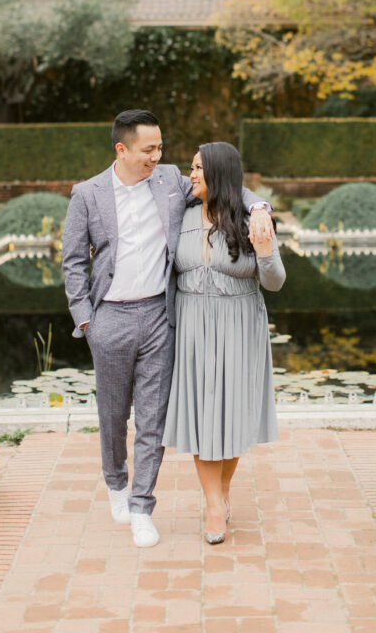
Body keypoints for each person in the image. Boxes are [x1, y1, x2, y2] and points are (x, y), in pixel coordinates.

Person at [61, 110, 272, 549]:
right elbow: (74, 261)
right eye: (149, 149)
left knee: (152, 418)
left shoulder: (169, 179)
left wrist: (260, 206)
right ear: (122, 149)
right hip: (109, 318)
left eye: (160, 147)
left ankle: (142, 506)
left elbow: (227, 184)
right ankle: (116, 482)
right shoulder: (88, 194)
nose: (158, 156)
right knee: (114, 415)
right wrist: (86, 319)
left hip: (160, 315)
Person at [162, 141, 285, 544]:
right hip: (193, 324)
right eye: (191, 167)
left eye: (198, 168)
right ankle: (214, 504)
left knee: (232, 414)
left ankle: (222, 489)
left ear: (217, 173)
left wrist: (266, 251)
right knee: (201, 414)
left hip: (239, 324)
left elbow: (275, 282)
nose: (190, 174)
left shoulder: (252, 220)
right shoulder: (179, 213)